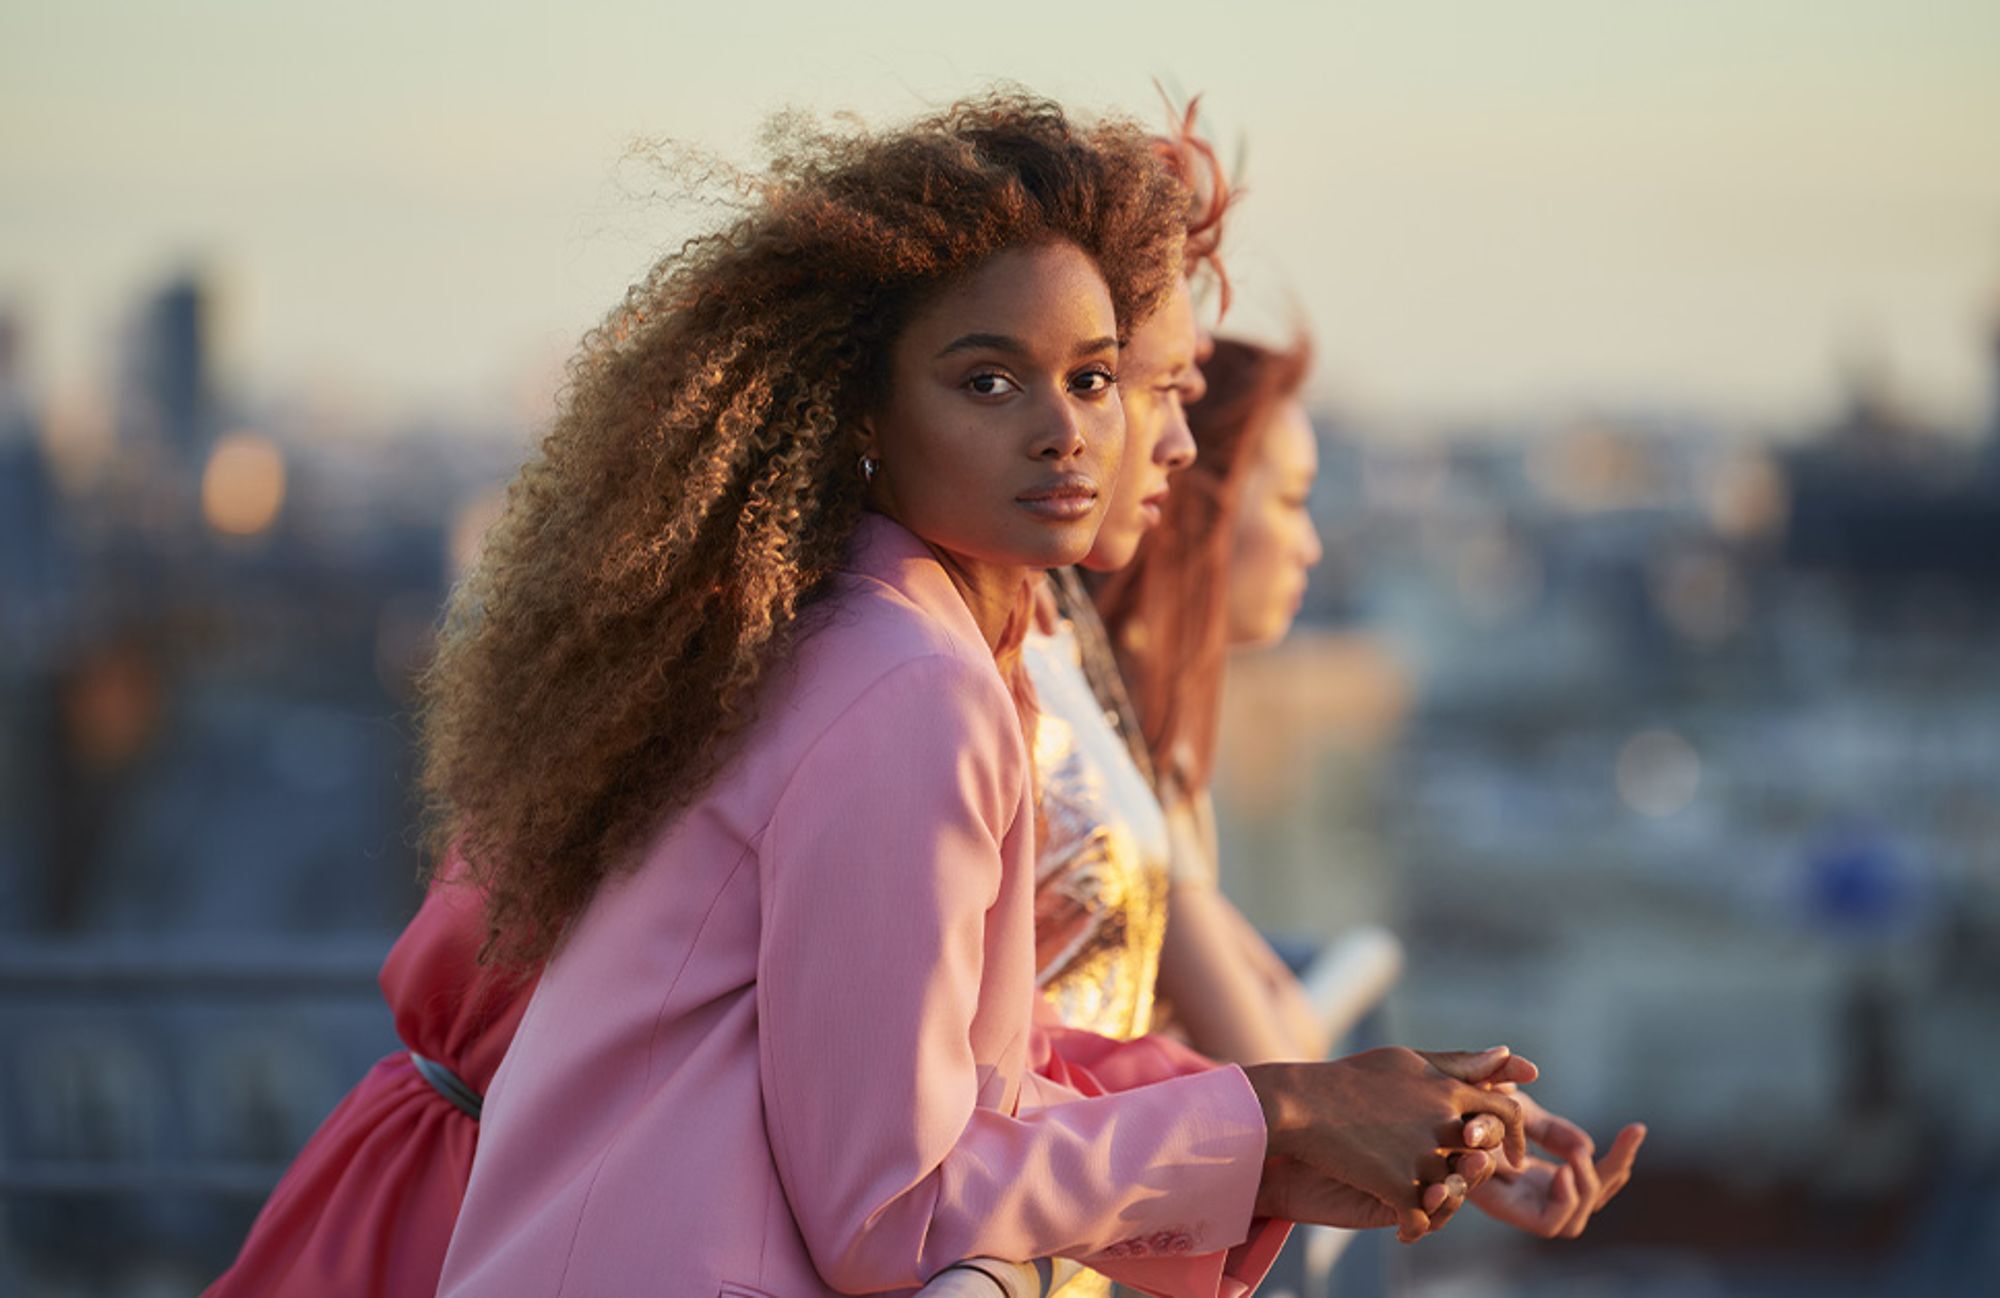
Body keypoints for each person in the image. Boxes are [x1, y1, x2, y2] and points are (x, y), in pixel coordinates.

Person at [426, 95, 1532, 1298]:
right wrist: (1274, 1118)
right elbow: (891, 1207)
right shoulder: (910, 685)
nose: (1066, 430)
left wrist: (1279, 1139)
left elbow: (959, 1083)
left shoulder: (864, 636)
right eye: (988, 382)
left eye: (1094, 377)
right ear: (861, 412)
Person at [1100, 334, 1648, 1239]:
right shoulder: (1109, 750)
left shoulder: (1142, 736)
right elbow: (1276, 1051)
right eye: (1290, 501)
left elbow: (1278, 1028)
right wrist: (1435, 1126)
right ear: (1192, 506)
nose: (1311, 545)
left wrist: (1455, 1127)